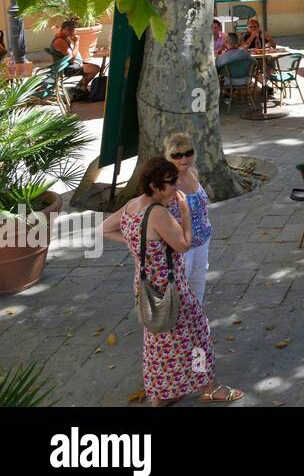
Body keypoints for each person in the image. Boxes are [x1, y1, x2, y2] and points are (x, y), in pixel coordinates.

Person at [100, 156, 242, 405]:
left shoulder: (132, 205)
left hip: (144, 288)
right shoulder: (158, 215)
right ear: (154, 186)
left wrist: (138, 247)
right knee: (198, 335)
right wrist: (185, 212)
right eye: (171, 183)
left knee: (157, 344)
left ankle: (161, 396)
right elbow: (185, 244)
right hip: (171, 289)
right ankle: (207, 386)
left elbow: (106, 228)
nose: (176, 188)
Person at [162, 133, 213, 306]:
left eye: (187, 153)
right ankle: (182, 325)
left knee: (198, 282)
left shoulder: (193, 172)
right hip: (182, 245)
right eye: (177, 155)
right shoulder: (167, 182)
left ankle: (197, 318)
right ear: (169, 157)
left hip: (203, 239)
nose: (183, 159)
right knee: (182, 286)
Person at [51, 19, 100, 89]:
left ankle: (80, 89)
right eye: (69, 30)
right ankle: (80, 89)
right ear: (62, 29)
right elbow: (72, 59)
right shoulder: (60, 41)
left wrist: (73, 41)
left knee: (94, 67)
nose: (71, 32)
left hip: (72, 64)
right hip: (67, 68)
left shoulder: (65, 38)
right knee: (95, 69)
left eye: (73, 30)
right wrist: (77, 43)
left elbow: (74, 53)